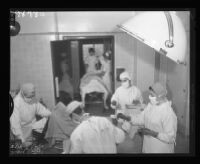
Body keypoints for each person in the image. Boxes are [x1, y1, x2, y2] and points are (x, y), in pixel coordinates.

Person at [117, 82, 177, 153]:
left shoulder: (168, 113)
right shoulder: (151, 106)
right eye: (150, 94)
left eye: (152, 95)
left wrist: (152, 133)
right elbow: (141, 118)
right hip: (148, 146)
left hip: (160, 148)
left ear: (160, 95)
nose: (149, 97)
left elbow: (170, 138)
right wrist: (127, 118)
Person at [10, 83, 51, 147]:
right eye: (29, 97)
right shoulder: (16, 103)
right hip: (21, 132)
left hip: (32, 130)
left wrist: (52, 114)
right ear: (23, 94)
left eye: (32, 96)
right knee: (23, 149)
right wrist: (22, 141)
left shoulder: (33, 99)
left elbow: (42, 110)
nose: (31, 98)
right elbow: (15, 125)